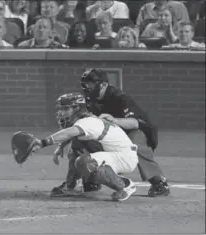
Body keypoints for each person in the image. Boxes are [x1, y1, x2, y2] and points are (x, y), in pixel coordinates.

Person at [51, 68, 170, 198]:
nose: (87, 87)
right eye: (85, 84)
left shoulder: (119, 97)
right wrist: (62, 145)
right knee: (79, 142)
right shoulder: (89, 98)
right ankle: (87, 181)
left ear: (103, 84)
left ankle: (159, 182)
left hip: (134, 130)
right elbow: (81, 126)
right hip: (108, 133)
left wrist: (114, 120)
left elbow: (135, 123)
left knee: (136, 144)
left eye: (90, 83)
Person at [29, 92, 138, 201]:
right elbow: (74, 135)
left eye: (66, 109)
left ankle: (126, 185)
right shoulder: (85, 121)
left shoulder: (87, 122)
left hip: (124, 157)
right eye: (61, 109)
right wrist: (61, 146)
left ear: (77, 108)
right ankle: (80, 185)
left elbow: (68, 133)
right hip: (114, 152)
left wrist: (42, 143)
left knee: (85, 162)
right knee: (76, 146)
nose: (61, 113)